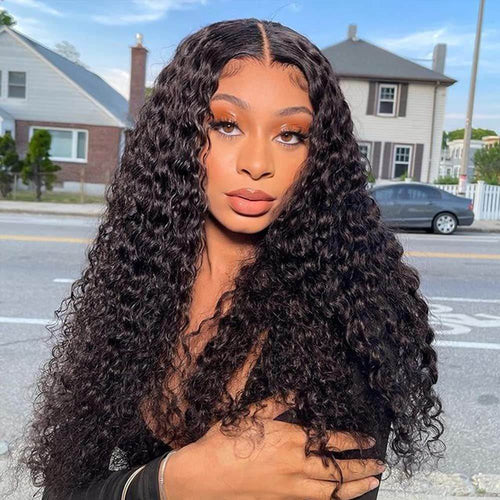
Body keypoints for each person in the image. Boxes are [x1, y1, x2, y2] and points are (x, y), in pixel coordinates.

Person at [18, 18, 445, 500]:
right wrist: (175, 481)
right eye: (226, 125)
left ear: (319, 155)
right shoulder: (136, 287)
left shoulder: (354, 311)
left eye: (290, 134)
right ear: (179, 138)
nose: (257, 163)